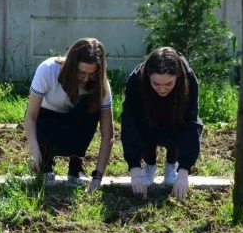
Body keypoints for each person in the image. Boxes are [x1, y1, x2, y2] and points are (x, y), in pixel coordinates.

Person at [24, 38, 114, 193]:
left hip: (76, 124)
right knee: (43, 120)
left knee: (92, 107)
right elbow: (31, 115)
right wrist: (34, 150)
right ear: (72, 65)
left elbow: (108, 134)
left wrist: (98, 177)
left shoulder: (101, 85)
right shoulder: (48, 69)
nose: (85, 79)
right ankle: (45, 162)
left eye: (91, 74)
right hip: (47, 122)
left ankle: (76, 163)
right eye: (81, 73)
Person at [121, 47, 203, 202]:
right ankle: (149, 165)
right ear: (147, 75)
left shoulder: (189, 80)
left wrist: (184, 172)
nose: (162, 89)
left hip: (176, 118)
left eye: (168, 84)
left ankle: (172, 164)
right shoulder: (136, 80)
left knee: (178, 125)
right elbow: (130, 123)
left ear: (178, 76)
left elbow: (192, 125)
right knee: (144, 126)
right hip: (147, 116)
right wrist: (135, 169)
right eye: (156, 83)